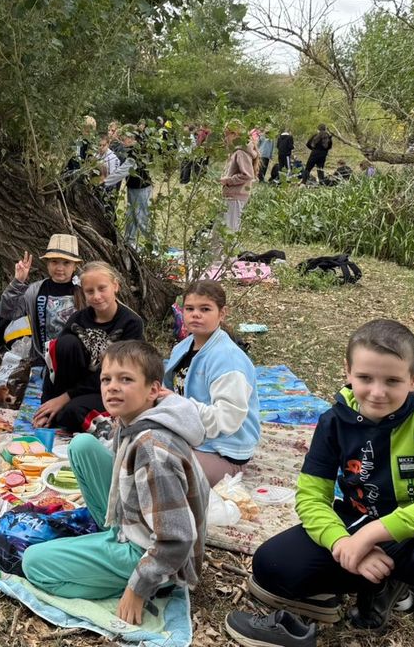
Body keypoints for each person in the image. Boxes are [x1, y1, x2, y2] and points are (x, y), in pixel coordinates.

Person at [226, 319, 414, 647]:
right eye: (365, 378)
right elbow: (311, 497)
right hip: (353, 523)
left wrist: (370, 536)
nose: (377, 392)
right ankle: (376, 583)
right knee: (271, 564)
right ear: (347, 371)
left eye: (392, 381)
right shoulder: (333, 421)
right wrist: (342, 544)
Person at [22, 341, 209, 626]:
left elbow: (178, 538)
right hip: (133, 526)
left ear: (153, 390)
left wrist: (138, 588)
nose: (112, 388)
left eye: (126, 380)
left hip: (155, 555)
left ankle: (145, 584)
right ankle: (111, 541)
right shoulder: (133, 419)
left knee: (34, 563)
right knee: (82, 445)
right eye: (106, 379)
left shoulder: (153, 450)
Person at [164, 281, 262, 485]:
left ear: (222, 313)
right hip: (192, 438)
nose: (195, 315)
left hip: (223, 452)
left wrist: (178, 405)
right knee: (135, 446)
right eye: (189, 309)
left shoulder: (228, 359)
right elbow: (170, 393)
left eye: (205, 309)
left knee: (161, 470)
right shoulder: (182, 348)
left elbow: (228, 419)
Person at [33, 261, 144, 434]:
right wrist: (47, 404)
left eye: (102, 288)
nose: (97, 296)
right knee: (65, 343)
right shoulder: (78, 319)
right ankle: (63, 410)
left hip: (112, 388)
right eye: (90, 291)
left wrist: (65, 398)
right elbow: (53, 363)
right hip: (78, 386)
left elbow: (120, 373)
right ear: (83, 292)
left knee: (72, 412)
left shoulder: (131, 323)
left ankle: (107, 419)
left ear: (115, 286)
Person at [0, 233, 84, 367]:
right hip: (42, 362)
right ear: (47, 264)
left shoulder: (85, 291)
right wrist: (18, 282)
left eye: (66, 263)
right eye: (54, 261)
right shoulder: (35, 290)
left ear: (75, 266)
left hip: (76, 362)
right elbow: (7, 312)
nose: (60, 268)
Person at [220, 120, 256, 233]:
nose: (225, 139)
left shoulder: (241, 152)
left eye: (226, 135)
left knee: (228, 231)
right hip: (232, 195)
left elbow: (247, 175)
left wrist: (228, 180)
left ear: (234, 134)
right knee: (221, 230)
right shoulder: (236, 151)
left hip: (235, 197)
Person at [120, 127, 154, 246]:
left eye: (124, 138)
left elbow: (122, 171)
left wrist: (107, 181)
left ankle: (154, 245)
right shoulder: (128, 151)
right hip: (132, 187)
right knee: (131, 216)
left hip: (141, 188)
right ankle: (129, 243)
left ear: (132, 139)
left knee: (142, 218)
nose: (122, 141)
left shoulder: (135, 152)